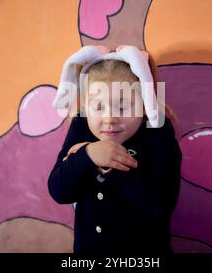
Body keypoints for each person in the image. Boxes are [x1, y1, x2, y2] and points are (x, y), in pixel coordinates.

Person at [47, 45, 182, 254]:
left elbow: (160, 204)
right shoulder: (82, 125)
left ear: (144, 104)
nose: (110, 119)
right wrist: (87, 156)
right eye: (98, 107)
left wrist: (107, 163)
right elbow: (59, 191)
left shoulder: (157, 131)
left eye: (123, 106)